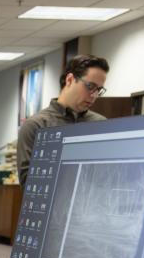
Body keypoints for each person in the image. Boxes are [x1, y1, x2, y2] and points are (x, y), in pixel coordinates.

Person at [16, 54, 110, 185]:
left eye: (99, 90)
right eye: (90, 86)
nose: (94, 95)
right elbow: (28, 182)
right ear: (70, 80)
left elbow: (109, 174)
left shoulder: (102, 125)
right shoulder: (36, 125)